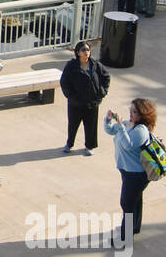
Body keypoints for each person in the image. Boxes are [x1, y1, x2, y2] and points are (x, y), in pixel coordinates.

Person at [104, 98, 156, 246]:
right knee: (135, 200)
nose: (131, 114)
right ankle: (134, 227)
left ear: (143, 115)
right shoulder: (128, 124)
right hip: (128, 171)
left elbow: (128, 145)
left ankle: (125, 238)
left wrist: (121, 125)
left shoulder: (141, 130)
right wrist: (108, 120)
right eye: (130, 110)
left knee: (126, 204)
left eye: (135, 112)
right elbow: (110, 130)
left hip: (137, 174)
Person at [60, 41, 111, 156]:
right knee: (73, 124)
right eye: (83, 50)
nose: (86, 52)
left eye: (87, 50)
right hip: (75, 104)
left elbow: (106, 76)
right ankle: (69, 143)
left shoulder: (95, 65)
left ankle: (89, 146)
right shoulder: (71, 66)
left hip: (92, 102)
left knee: (91, 126)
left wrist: (102, 92)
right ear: (78, 52)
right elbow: (64, 82)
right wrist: (71, 96)